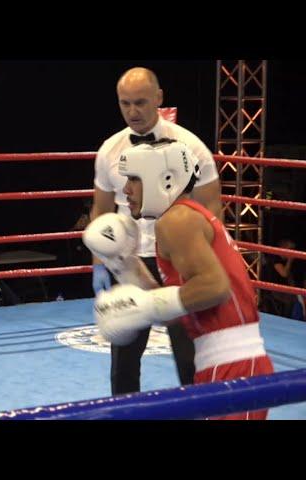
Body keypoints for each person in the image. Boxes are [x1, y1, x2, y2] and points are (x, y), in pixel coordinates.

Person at [84, 139, 274, 420]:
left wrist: (146, 305)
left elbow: (215, 287)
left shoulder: (178, 220)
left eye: (134, 179)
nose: (126, 191)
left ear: (165, 179)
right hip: (220, 363)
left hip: (234, 365)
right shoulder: (179, 220)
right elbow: (176, 311)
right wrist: (125, 264)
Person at [90, 67, 222, 395]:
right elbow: (101, 209)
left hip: (179, 260)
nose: (133, 112)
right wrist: (98, 263)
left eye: (140, 102)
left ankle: (199, 412)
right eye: (125, 104)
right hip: (131, 260)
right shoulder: (110, 149)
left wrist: (204, 260)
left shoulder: (191, 147)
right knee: (124, 350)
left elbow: (212, 210)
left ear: (159, 99)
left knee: (189, 349)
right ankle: (125, 414)